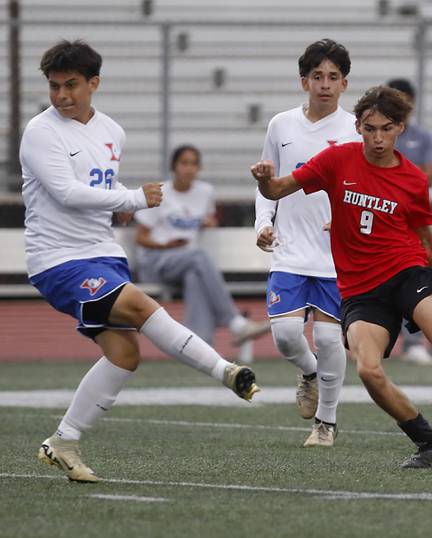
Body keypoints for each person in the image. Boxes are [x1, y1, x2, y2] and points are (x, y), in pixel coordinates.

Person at [251, 86, 432, 468]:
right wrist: (263, 179)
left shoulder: (412, 179)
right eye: (370, 128)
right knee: (368, 370)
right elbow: (277, 188)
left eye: (387, 129)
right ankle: (428, 441)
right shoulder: (336, 160)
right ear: (357, 126)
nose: (378, 138)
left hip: (406, 271)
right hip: (361, 290)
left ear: (400, 128)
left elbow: (428, 241)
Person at [21, 40, 259, 483]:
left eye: (71, 85)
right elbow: (66, 193)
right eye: (54, 87)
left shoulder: (113, 131)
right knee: (141, 306)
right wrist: (131, 198)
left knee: (124, 354)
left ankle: (64, 440)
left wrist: (121, 200)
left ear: (94, 83)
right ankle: (223, 370)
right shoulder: (41, 131)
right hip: (58, 259)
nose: (61, 96)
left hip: (103, 253)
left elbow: (96, 186)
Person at [254, 39, 359, 447]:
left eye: (333, 77)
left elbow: (363, 185)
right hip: (290, 250)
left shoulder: (354, 130)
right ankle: (310, 373)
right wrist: (263, 223)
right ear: (304, 81)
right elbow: (266, 183)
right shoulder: (281, 126)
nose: (325, 84)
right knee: (284, 336)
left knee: (331, 339)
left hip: (335, 255)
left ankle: (325, 424)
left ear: (345, 84)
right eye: (318, 76)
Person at [135, 144, 271, 348]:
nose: (189, 169)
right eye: (184, 163)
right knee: (197, 257)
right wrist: (167, 245)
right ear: (174, 166)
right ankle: (235, 322)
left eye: (194, 164)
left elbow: (206, 219)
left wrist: (208, 223)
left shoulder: (205, 192)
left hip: (186, 263)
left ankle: (199, 344)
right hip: (156, 262)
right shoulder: (160, 193)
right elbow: (141, 237)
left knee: (195, 276)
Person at [385, 78, 432, 365]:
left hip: (413, 218)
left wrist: (396, 183)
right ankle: (402, 340)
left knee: (420, 276)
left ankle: (424, 339)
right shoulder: (381, 135)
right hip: (383, 218)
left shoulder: (423, 137)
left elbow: (428, 174)